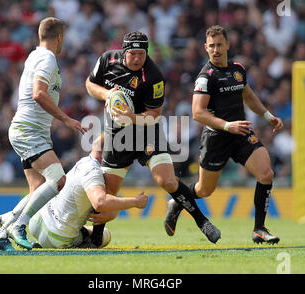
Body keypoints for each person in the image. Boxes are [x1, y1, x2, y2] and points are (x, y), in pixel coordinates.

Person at [85, 31, 221, 244]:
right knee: (108, 192)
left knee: (166, 180)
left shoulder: (154, 76)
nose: (138, 58)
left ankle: (202, 221)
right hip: (117, 134)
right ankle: (96, 239)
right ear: (124, 51)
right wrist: (107, 94)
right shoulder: (108, 60)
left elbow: (154, 114)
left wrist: (132, 116)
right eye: (133, 54)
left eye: (142, 54)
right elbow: (90, 84)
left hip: (146, 129)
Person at [164, 25, 284, 244]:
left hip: (240, 134)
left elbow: (248, 96)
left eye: (219, 45)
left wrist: (269, 116)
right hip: (216, 138)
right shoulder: (205, 77)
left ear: (228, 45)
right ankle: (178, 202)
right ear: (205, 48)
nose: (216, 50)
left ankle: (259, 229)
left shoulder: (238, 69)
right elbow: (197, 113)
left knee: (266, 173)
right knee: (204, 189)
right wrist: (228, 126)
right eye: (211, 46)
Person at [0, 17, 88, 251]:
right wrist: (66, 119)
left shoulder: (34, 55)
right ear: (60, 38)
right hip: (28, 130)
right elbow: (38, 93)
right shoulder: (47, 58)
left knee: (38, 189)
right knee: (59, 180)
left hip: (31, 131)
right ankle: (18, 226)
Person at [0, 137, 148, 251]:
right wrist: (134, 202)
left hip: (37, 222)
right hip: (57, 237)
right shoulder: (94, 173)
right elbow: (100, 202)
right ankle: (82, 244)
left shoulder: (85, 161)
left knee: (35, 200)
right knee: (104, 235)